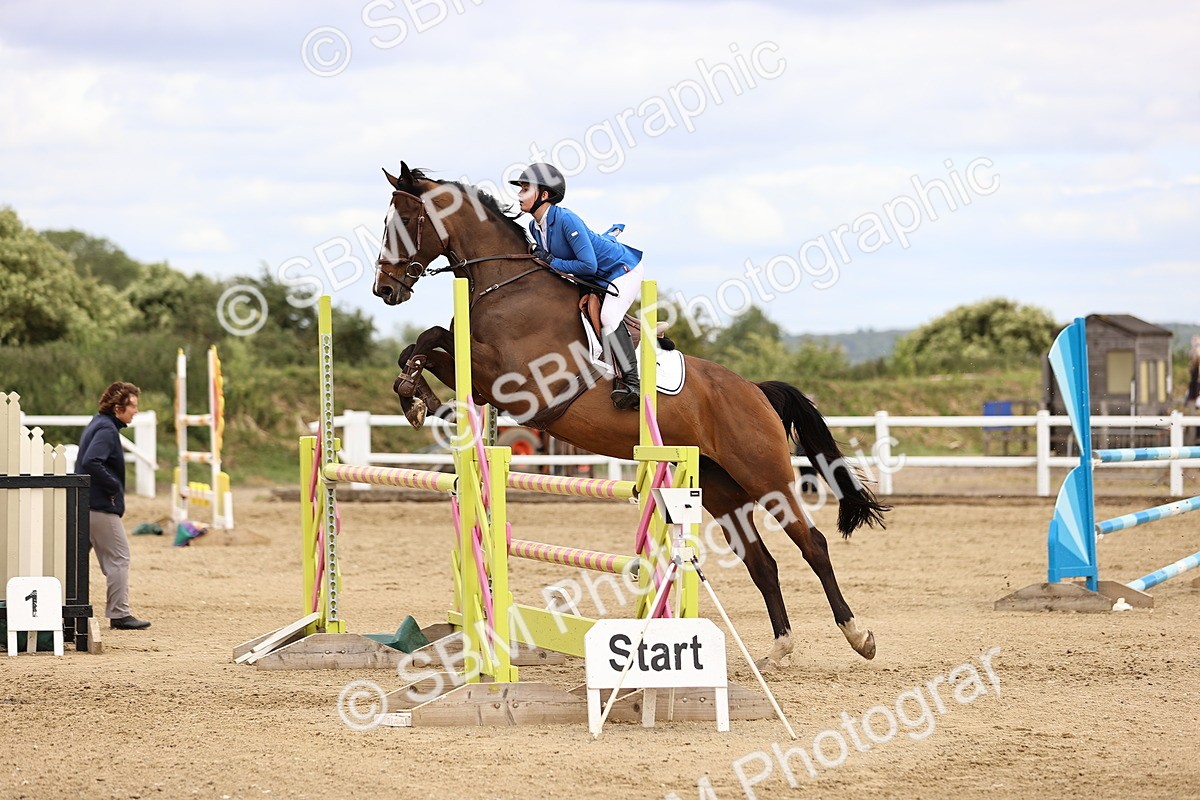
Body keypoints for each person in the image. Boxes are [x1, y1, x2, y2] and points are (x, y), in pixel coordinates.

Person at [510, 163, 646, 410]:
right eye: (520, 189)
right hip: (593, 278)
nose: (519, 195)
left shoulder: (566, 219)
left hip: (620, 270)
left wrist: (550, 260)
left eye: (525, 189)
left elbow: (588, 265)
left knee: (608, 316)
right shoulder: (534, 227)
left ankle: (633, 385)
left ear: (544, 195)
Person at [77, 382, 151, 630]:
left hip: (86, 504)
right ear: (118, 407)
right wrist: (114, 487)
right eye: (133, 406)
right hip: (99, 506)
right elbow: (91, 462)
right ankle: (119, 614)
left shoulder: (97, 424)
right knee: (119, 558)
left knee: (75, 561)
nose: (136, 412)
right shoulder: (107, 430)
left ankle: (66, 606)